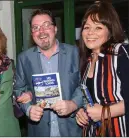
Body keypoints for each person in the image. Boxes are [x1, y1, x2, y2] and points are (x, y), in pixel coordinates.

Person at [13, 9, 83, 137]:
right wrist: (28, 108)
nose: (41, 31)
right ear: (32, 33)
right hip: (39, 131)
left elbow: (83, 85)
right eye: (36, 27)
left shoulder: (75, 53)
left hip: (72, 130)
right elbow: (19, 89)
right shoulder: (24, 58)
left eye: (46, 25)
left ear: (55, 29)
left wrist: (73, 104)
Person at [76, 1, 129, 137]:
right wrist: (82, 112)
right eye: (86, 27)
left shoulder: (121, 53)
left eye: (98, 27)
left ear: (110, 31)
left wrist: (105, 112)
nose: (90, 33)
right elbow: (91, 100)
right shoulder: (86, 61)